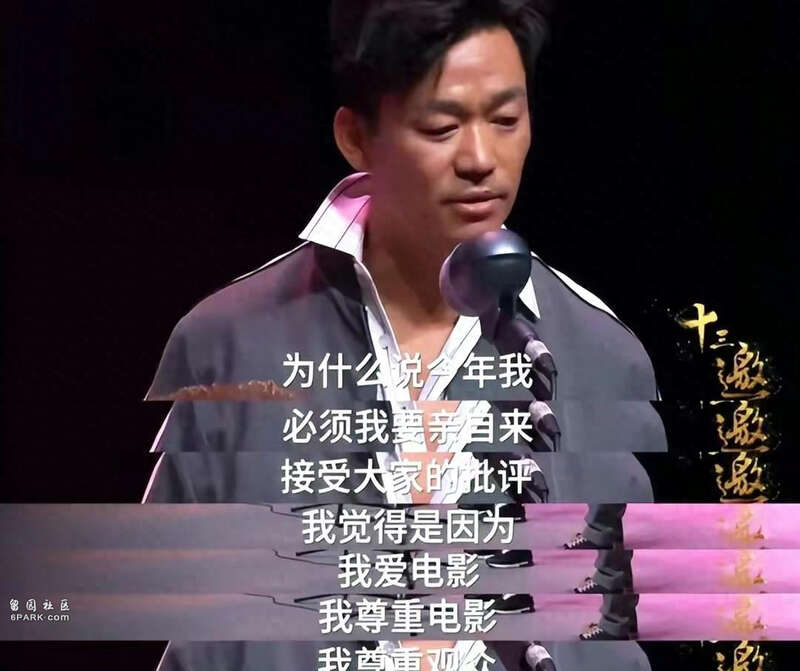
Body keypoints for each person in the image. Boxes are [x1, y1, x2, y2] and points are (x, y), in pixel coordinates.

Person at [144, 0, 667, 666]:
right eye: (441, 126)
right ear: (356, 137)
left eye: (506, 120)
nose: (482, 158)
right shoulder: (226, 346)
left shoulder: (601, 355)